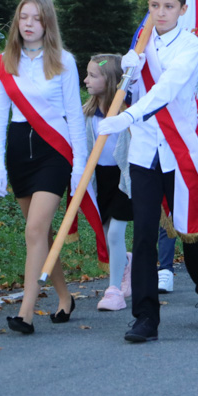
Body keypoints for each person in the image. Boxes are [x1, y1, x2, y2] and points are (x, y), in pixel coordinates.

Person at [98, 0, 198, 343]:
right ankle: (146, 317)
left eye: (169, 6)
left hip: (179, 152)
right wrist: (129, 70)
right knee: (143, 236)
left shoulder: (190, 45)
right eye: (154, 5)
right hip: (143, 153)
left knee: (191, 232)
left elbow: (169, 88)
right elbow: (133, 90)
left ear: (183, 9)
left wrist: (127, 116)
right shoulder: (140, 44)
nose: (161, 13)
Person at [0, 0, 104, 334]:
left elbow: (73, 117)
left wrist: (80, 164)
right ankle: (65, 297)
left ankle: (25, 313)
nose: (27, 23)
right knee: (42, 234)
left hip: (53, 153)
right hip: (18, 151)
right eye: (23, 17)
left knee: (34, 231)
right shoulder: (5, 62)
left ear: (47, 23)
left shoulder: (64, 61)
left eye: (36, 18)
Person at [83, 54, 134, 311]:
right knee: (106, 234)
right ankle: (126, 264)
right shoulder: (88, 113)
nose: (86, 80)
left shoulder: (127, 113)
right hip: (99, 180)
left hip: (123, 180)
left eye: (93, 75)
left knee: (115, 233)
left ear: (111, 79)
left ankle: (113, 291)